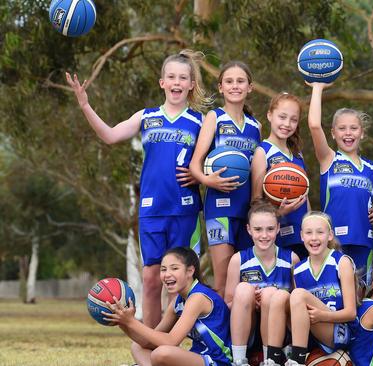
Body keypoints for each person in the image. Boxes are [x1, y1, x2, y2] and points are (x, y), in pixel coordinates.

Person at [66, 50, 211, 327]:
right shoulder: (146, 117)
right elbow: (109, 136)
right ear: (162, 83)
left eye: (183, 77)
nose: (177, 82)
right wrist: (85, 105)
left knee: (180, 282)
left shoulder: (201, 121)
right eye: (171, 77)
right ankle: (151, 347)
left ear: (191, 84)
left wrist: (201, 175)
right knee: (151, 278)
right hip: (152, 209)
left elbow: (214, 161)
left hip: (184, 210)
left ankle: (173, 347)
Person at [189, 61, 261, 297]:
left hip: (247, 209)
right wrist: (208, 181)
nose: (235, 86)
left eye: (241, 81)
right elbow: (195, 164)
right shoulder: (214, 118)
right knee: (222, 278)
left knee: (246, 277)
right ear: (220, 87)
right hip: (219, 208)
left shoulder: (255, 126)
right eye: (229, 81)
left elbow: (257, 169)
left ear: (250, 87)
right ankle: (219, 333)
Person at [104, 247, 232, 366]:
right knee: (137, 346)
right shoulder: (178, 301)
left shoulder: (198, 297)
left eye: (174, 268)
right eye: (163, 269)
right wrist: (122, 322)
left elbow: (171, 341)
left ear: (190, 271)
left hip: (218, 361)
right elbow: (150, 341)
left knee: (161, 353)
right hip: (197, 356)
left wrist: (131, 321)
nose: (167, 274)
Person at [307, 82, 373, 293]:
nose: (348, 133)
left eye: (354, 128)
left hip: (364, 240)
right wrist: (317, 87)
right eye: (342, 128)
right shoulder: (329, 159)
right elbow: (314, 125)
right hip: (334, 240)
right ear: (333, 133)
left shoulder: (371, 167)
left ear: (362, 133)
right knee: (335, 294)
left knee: (360, 295)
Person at [224, 200, 300, 366]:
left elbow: (297, 303)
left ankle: (270, 360)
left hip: (279, 332)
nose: (264, 235)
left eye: (270, 229)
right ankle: (239, 360)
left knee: (270, 294)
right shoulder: (238, 259)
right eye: (258, 229)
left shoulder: (291, 259)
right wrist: (251, 300)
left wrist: (272, 301)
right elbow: (228, 302)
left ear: (278, 228)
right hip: (246, 330)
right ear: (249, 229)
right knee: (244, 289)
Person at [280, 211, 356, 366]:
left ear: (330, 235)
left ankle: (297, 360)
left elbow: (351, 313)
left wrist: (322, 316)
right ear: (301, 236)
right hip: (313, 334)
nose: (314, 238)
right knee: (281, 298)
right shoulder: (298, 269)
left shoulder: (341, 262)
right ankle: (275, 357)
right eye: (308, 233)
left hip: (338, 331)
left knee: (298, 294)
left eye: (320, 232)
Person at [250, 92, 309, 259]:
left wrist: (309, 223)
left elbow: (305, 195)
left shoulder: (297, 154)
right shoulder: (263, 152)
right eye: (282, 117)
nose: (287, 124)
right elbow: (255, 201)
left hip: (302, 233)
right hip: (277, 233)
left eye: (293, 119)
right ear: (270, 115)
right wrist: (279, 212)